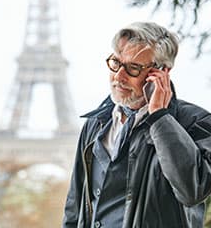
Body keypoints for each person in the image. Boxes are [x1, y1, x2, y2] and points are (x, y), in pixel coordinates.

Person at [62, 22, 211, 228]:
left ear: (161, 73)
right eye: (116, 63)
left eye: (133, 68)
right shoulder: (95, 123)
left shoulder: (196, 122)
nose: (119, 77)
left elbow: (192, 191)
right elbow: (74, 206)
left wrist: (159, 116)